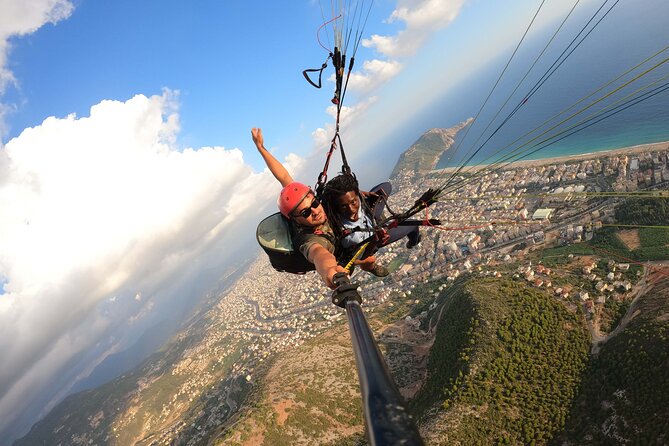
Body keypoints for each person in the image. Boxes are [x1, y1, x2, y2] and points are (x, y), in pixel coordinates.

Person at [252, 128, 348, 289]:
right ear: (295, 219)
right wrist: (331, 271)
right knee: (368, 260)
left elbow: (283, 177)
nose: (315, 211)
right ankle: (370, 266)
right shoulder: (308, 241)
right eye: (306, 213)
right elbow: (319, 255)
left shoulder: (300, 200)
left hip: (336, 234)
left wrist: (261, 148)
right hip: (338, 253)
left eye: (315, 203)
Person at [322, 173, 421, 277]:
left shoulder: (354, 197)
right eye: (343, 206)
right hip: (372, 238)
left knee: (387, 186)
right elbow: (363, 255)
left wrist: (366, 194)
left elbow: (356, 195)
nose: (351, 210)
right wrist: (376, 241)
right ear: (336, 207)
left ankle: (376, 216)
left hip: (370, 216)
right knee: (413, 225)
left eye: (353, 202)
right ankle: (412, 243)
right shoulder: (350, 236)